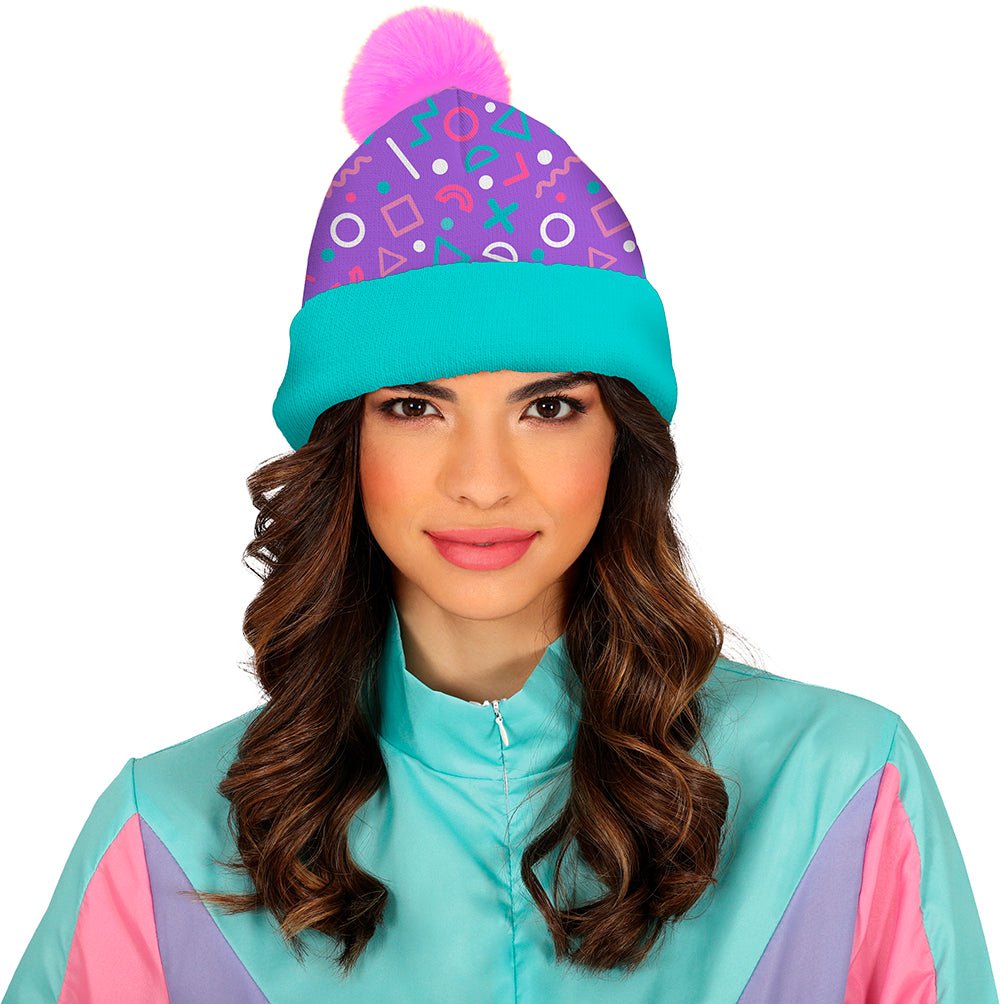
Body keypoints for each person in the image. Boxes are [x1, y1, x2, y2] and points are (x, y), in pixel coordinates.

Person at [4, 7, 996, 1002]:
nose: (482, 480)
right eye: (415, 407)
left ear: (622, 440)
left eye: (548, 407)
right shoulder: (166, 843)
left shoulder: (841, 791)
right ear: (347, 445)